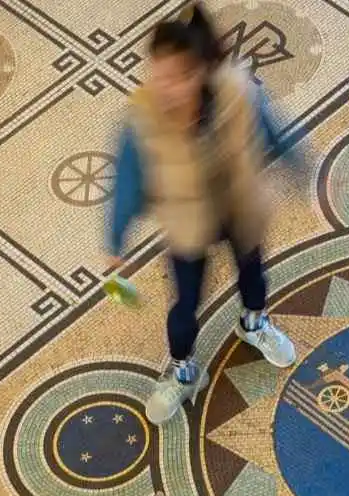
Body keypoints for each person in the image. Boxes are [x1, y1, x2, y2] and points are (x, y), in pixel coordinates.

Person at [106, 3, 295, 425]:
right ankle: (184, 370)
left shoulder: (238, 93)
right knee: (184, 304)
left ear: (199, 73)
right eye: (157, 74)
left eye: (175, 76)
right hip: (187, 223)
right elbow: (127, 179)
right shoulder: (144, 118)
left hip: (238, 207)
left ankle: (253, 323)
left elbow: (273, 132)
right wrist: (115, 240)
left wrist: (303, 169)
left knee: (253, 275)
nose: (163, 87)